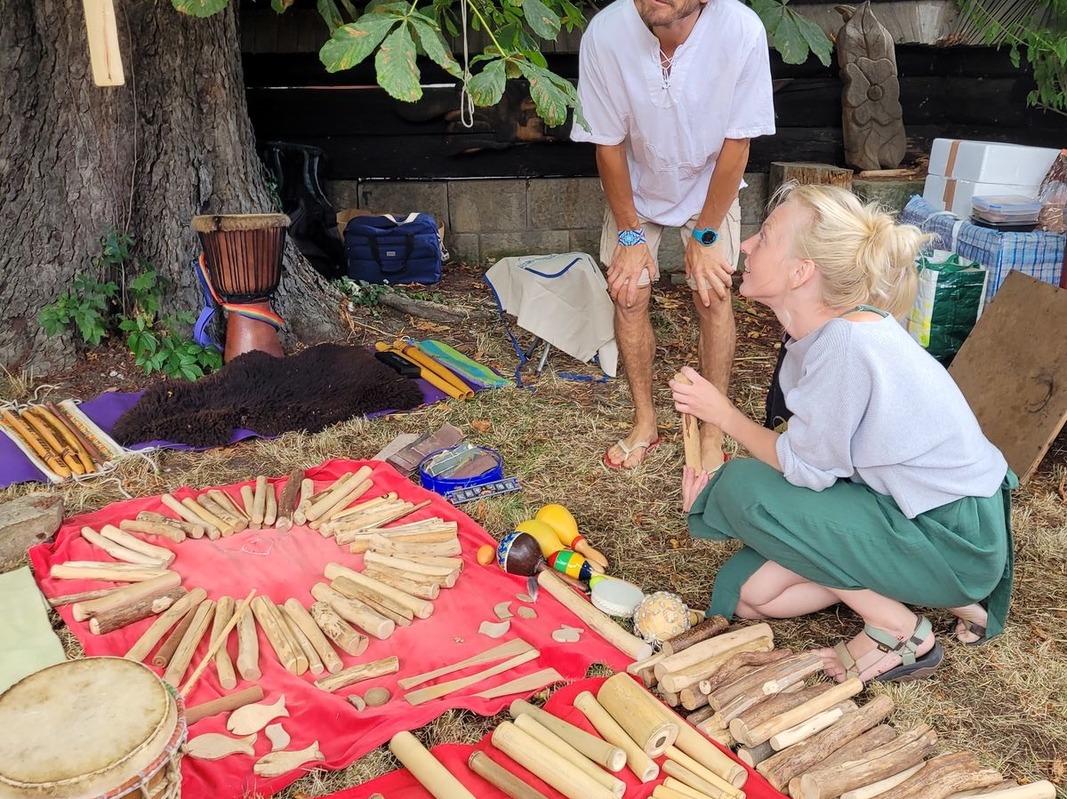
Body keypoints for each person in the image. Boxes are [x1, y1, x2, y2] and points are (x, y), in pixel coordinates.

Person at [669, 184, 1015, 683]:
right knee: (747, 595)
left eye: (764, 237)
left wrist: (721, 416)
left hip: (950, 536)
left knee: (741, 487)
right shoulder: (840, 328)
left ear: (800, 272)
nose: (745, 245)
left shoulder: (846, 346)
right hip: (909, 511)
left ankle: (903, 630)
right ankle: (949, 601)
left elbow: (805, 470)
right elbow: (821, 459)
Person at [571, 0, 776, 472]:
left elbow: (738, 142)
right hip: (637, 191)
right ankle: (646, 423)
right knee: (628, 294)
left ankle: (712, 430)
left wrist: (704, 236)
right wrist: (628, 234)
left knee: (713, 296)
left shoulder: (741, 29)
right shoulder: (605, 33)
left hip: (711, 187)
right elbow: (607, 142)